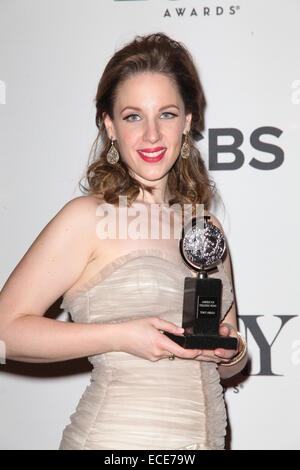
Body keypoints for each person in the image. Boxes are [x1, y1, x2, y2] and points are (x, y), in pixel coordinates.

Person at [0, 32, 247, 450]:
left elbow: (229, 360)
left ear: (187, 123)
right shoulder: (86, 218)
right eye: (133, 116)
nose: (152, 135)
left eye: (166, 114)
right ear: (109, 126)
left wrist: (230, 352)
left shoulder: (206, 229)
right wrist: (121, 336)